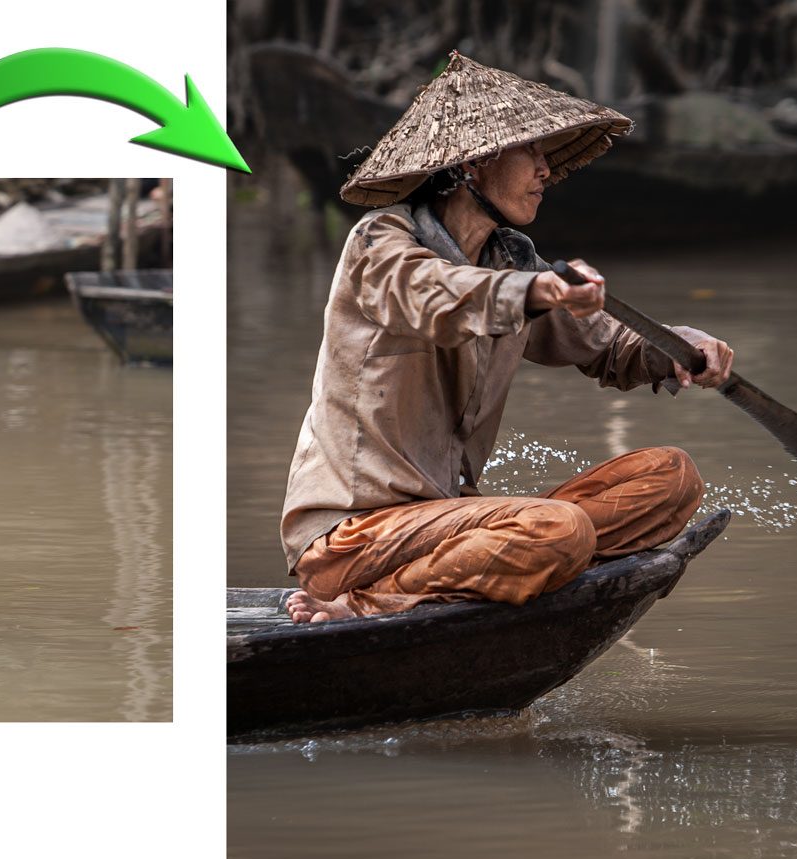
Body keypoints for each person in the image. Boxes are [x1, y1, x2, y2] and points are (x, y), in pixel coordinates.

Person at [280, 52, 735, 623]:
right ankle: (368, 604)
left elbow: (606, 341)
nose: (546, 171)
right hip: (352, 537)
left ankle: (522, 565)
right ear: (475, 163)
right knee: (559, 529)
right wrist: (537, 291)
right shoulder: (381, 242)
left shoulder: (509, 259)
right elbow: (432, 292)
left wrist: (677, 348)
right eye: (532, 152)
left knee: (671, 478)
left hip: (448, 525)